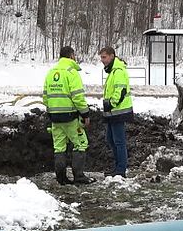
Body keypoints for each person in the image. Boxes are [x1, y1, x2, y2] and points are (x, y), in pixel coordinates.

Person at [43, 46, 93, 184]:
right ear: (71, 56)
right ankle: (79, 176)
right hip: (70, 117)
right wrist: (85, 113)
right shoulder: (71, 72)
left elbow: (46, 97)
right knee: (80, 144)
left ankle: (61, 178)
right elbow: (77, 96)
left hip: (54, 117)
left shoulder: (51, 73)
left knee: (59, 147)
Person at [98, 46, 133, 177]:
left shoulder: (118, 71)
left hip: (118, 112)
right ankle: (118, 167)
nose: (102, 60)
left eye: (104, 57)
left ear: (112, 56)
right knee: (111, 139)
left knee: (118, 141)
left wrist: (110, 104)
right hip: (113, 112)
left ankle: (121, 169)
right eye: (101, 57)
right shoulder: (113, 71)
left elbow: (120, 91)